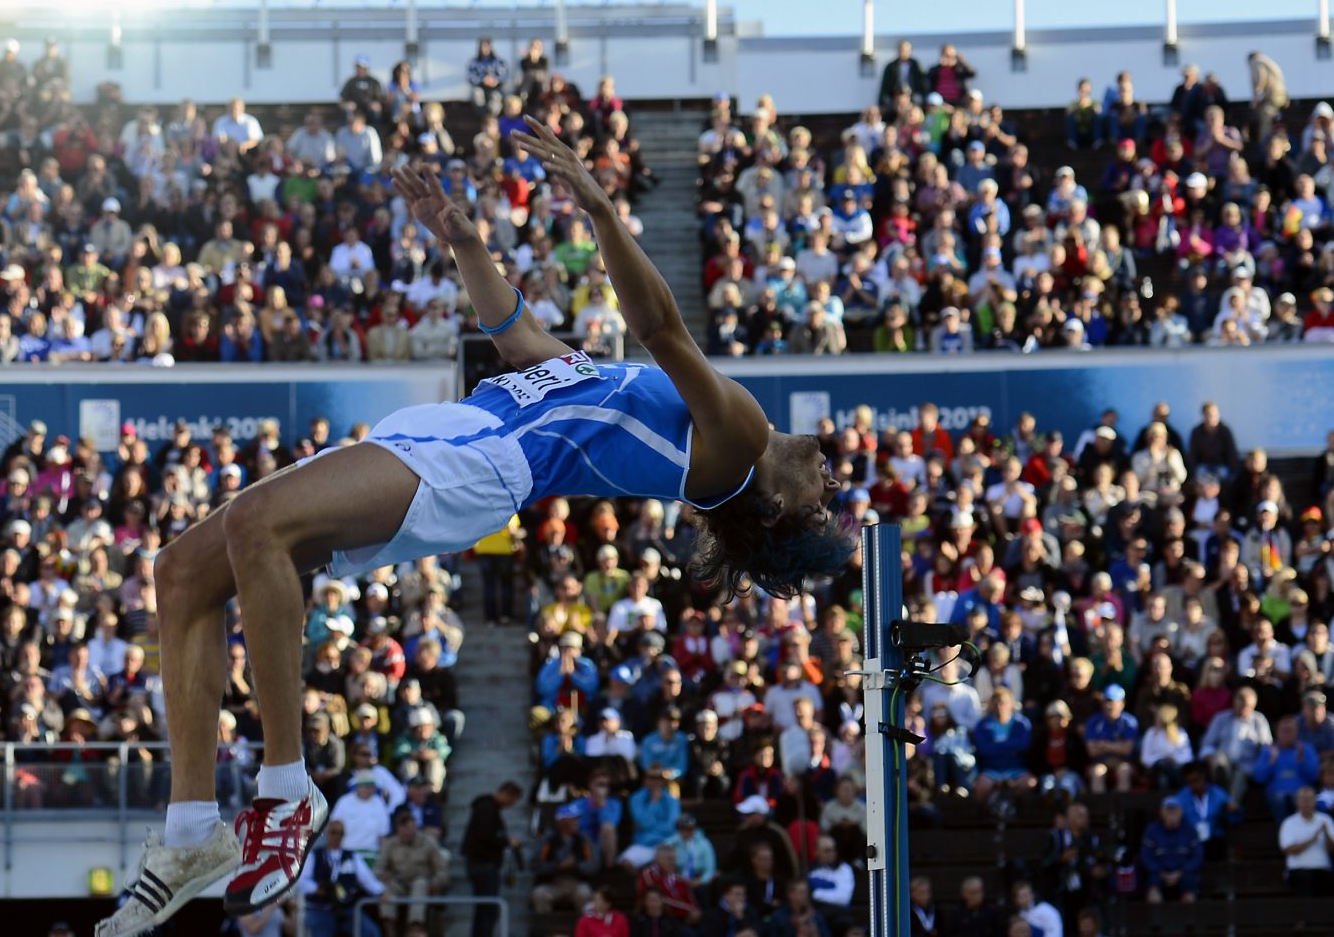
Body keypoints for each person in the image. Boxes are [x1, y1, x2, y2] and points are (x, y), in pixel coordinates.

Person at [98, 125, 854, 935]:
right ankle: (188, 833)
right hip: (461, 431)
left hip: (486, 463)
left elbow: (663, 329)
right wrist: (464, 246)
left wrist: (601, 211)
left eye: (825, 498)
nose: (832, 478)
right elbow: (523, 345)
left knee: (258, 526)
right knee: (181, 573)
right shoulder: (673, 417)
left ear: (776, 508)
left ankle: (287, 793)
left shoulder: (737, 445)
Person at [298, 822, 383, 937]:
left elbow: (367, 880)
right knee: (321, 931)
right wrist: (317, 889)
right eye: (334, 832)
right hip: (320, 908)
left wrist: (381, 892)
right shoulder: (314, 855)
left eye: (341, 833)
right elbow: (302, 881)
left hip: (346, 909)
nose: (337, 836)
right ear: (328, 833)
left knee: (371, 932)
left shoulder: (352, 857)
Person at [459, 782, 521, 937]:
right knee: (487, 909)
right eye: (512, 800)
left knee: (485, 908)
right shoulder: (486, 808)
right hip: (482, 864)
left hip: (484, 863)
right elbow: (485, 835)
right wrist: (506, 842)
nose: (511, 805)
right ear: (507, 794)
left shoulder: (489, 808)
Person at [1278, 784, 1334, 895]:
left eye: (1309, 799)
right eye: (1302, 799)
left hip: (1323, 869)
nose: (1306, 802)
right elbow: (1288, 849)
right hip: (1298, 870)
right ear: (1296, 801)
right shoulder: (1288, 823)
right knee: (1305, 880)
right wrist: (1312, 839)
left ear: (1315, 801)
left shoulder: (1326, 820)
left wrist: (1325, 833)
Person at [1137, 797, 1202, 902]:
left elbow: (1197, 856)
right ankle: (1156, 917)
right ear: (1161, 812)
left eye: (1174, 810)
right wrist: (1160, 872)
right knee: (1152, 887)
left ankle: (1188, 918)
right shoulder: (1152, 830)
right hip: (1159, 873)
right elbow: (1145, 856)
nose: (1171, 813)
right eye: (1168, 810)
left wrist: (1181, 872)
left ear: (1181, 812)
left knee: (1190, 887)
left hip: (1183, 873)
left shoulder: (1190, 830)